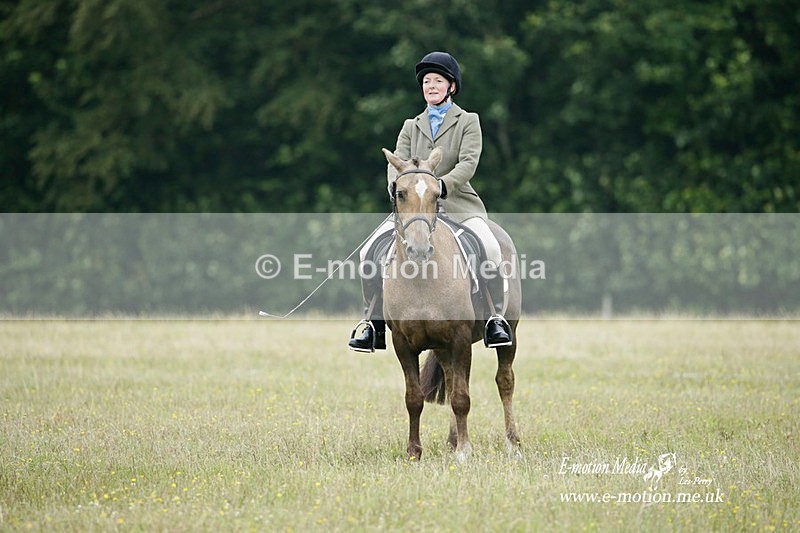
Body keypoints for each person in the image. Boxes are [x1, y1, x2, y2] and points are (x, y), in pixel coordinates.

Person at [348, 51, 512, 352]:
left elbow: (468, 163)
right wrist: (398, 190)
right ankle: (373, 323)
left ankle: (495, 318)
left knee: (490, 247)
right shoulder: (411, 125)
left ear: (451, 86)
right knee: (369, 252)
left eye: (438, 80)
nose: (431, 85)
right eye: (426, 81)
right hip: (413, 209)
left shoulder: (468, 121)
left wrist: (441, 186)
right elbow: (395, 163)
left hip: (459, 205)